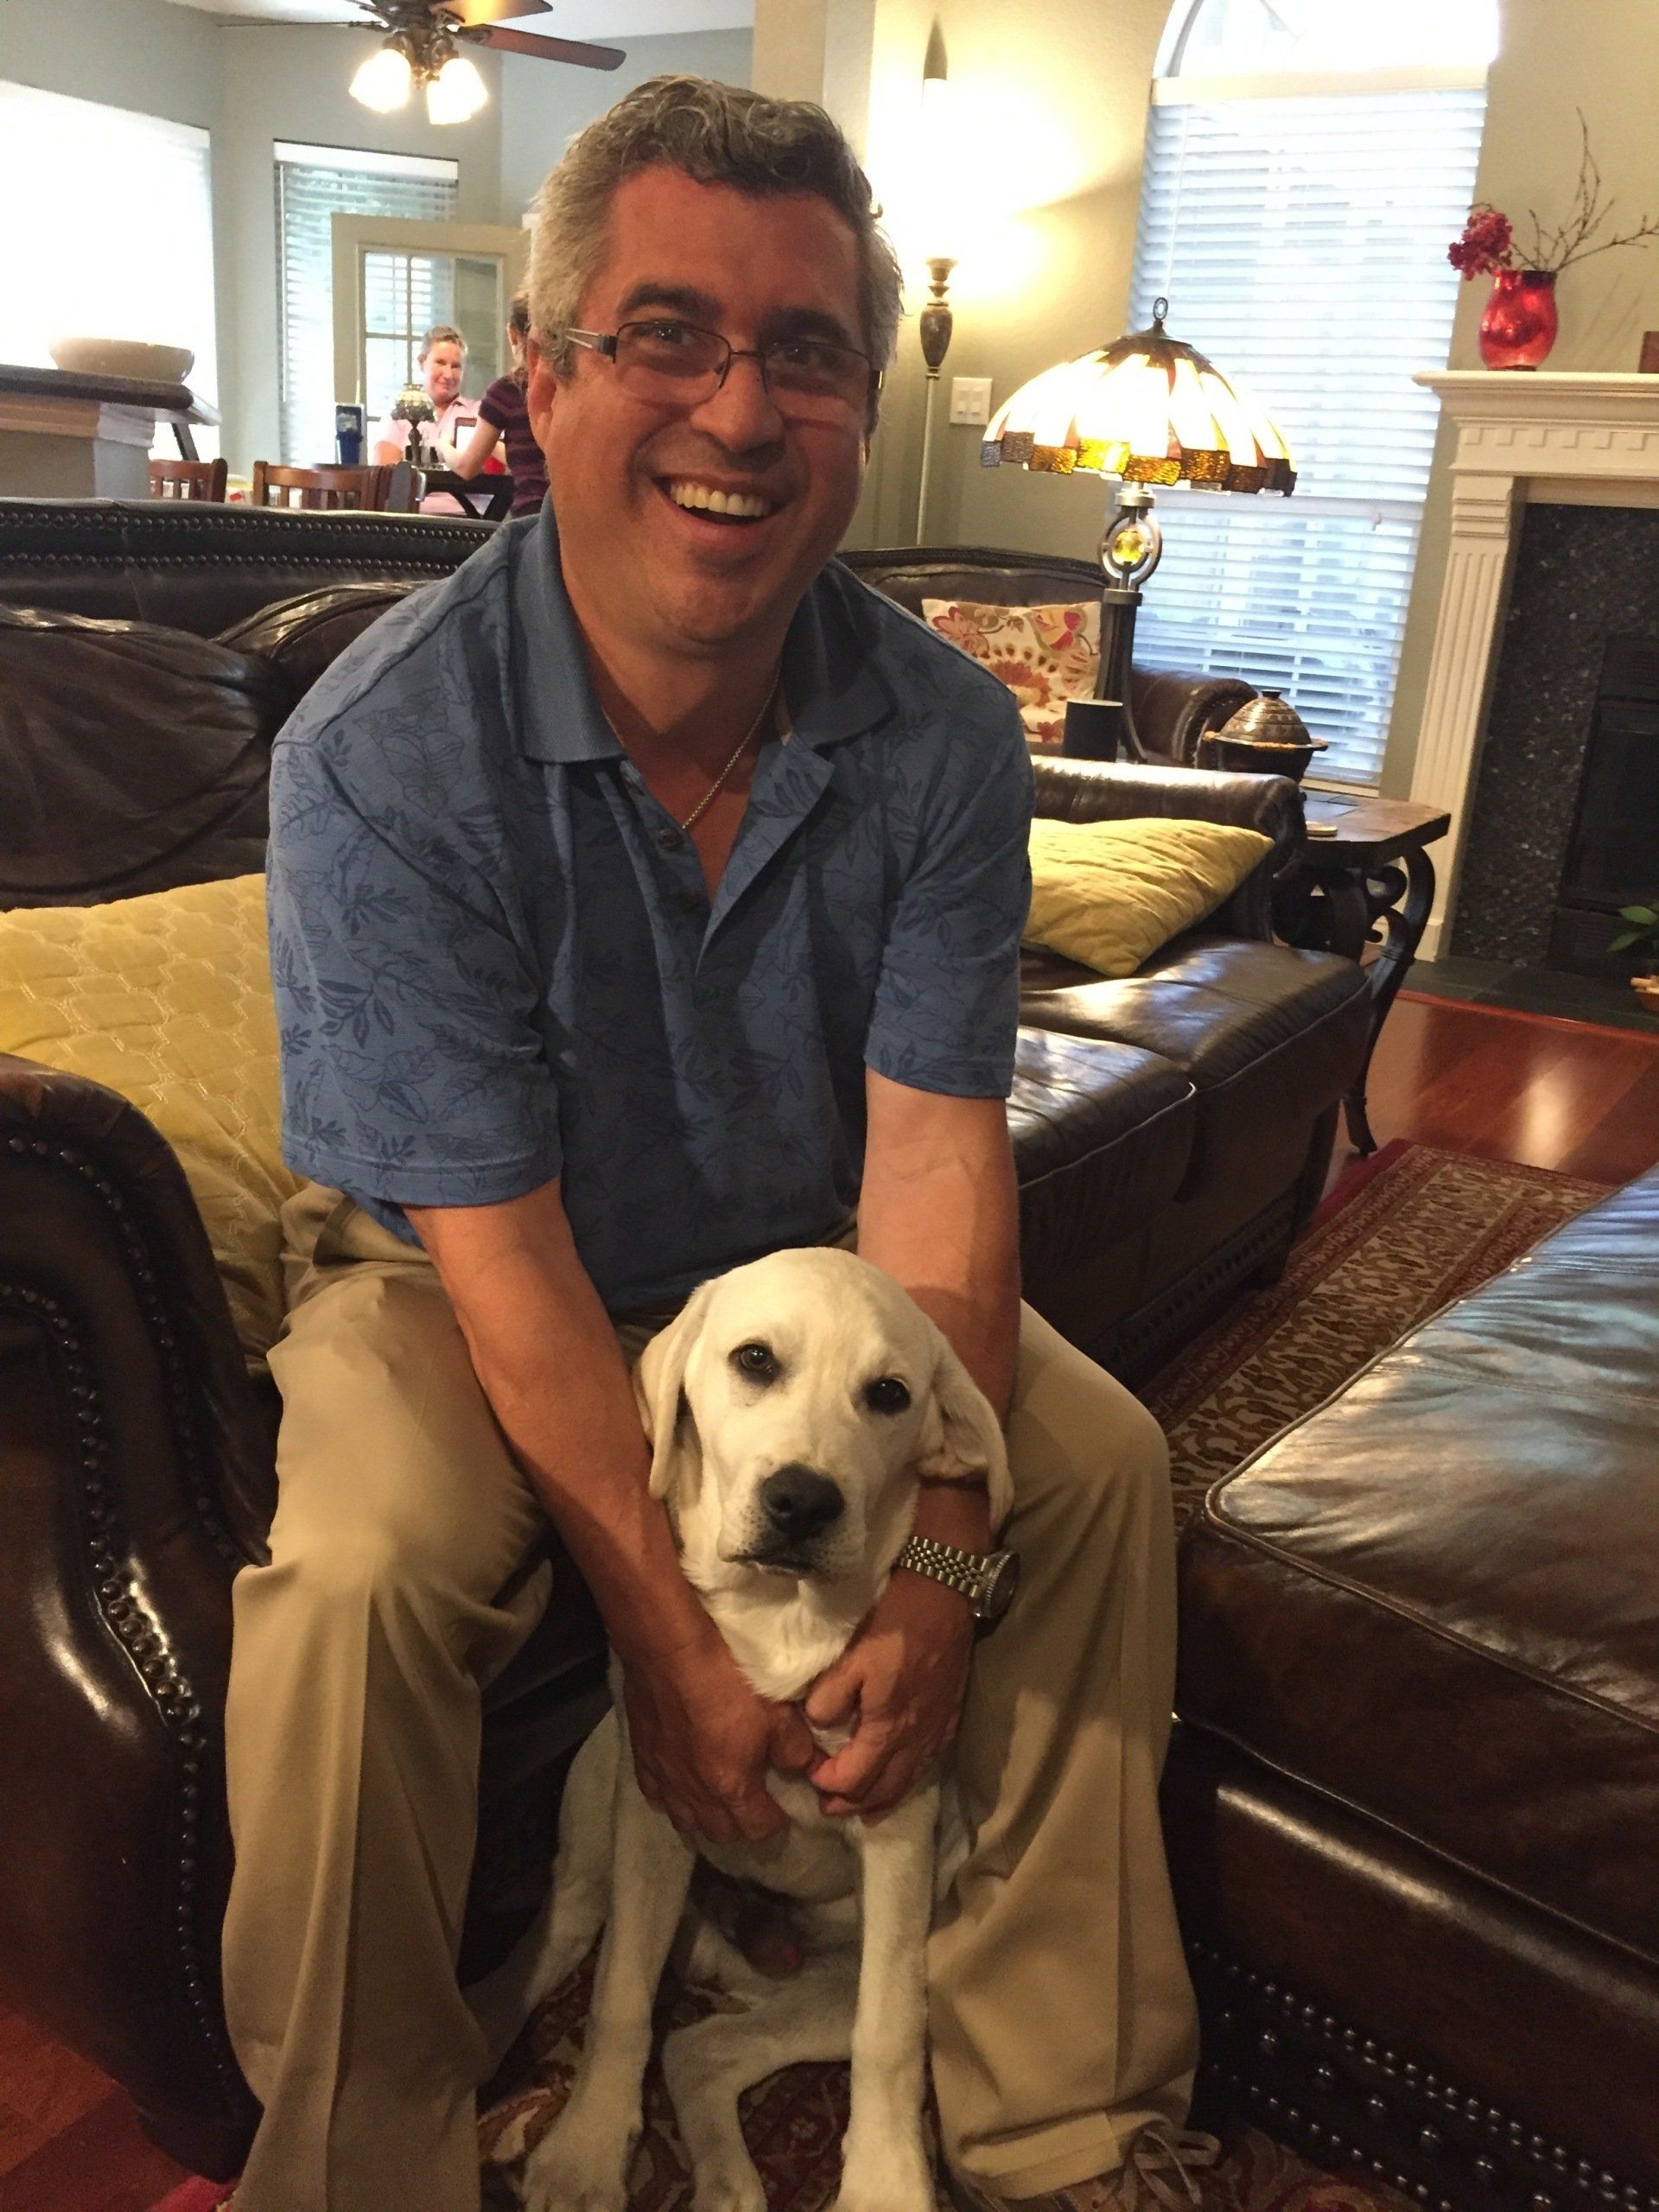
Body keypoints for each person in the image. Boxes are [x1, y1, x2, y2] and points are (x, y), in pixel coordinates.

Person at [235, 73, 1209, 2212]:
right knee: (367, 1564)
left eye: (804, 351)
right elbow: (500, 1255)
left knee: (1104, 1465)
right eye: (665, 334)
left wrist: (942, 1549)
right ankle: (353, 2163)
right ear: (546, 378)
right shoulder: (387, 757)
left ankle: (1062, 2118)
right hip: (460, 1268)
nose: (737, 411)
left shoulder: (942, 730)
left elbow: (938, 1161)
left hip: (798, 1277)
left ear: (864, 403)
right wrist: (675, 1655)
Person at [448, 290, 550, 517]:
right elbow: (533, 456)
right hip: (569, 518)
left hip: (530, 517)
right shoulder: (566, 386)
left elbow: (467, 468)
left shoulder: (507, 392)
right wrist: (494, 446)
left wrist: (444, 447)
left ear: (512, 334)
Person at [371, 321, 478, 467]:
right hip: (413, 490)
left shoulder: (477, 414)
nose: (448, 374)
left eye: (456, 366)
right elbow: (385, 471)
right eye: (440, 362)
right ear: (422, 362)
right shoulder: (399, 413)